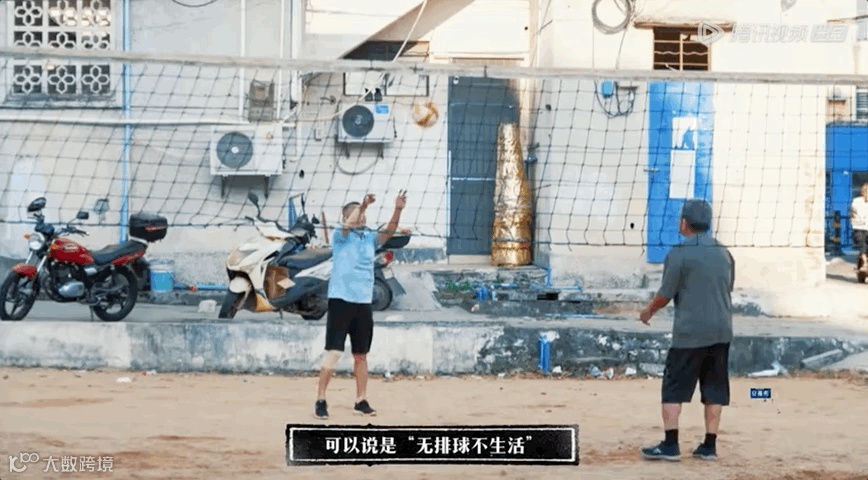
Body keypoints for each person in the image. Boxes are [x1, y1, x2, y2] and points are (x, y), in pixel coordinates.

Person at [638, 198, 735, 462]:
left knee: (673, 389)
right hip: (722, 332)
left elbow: (665, 293)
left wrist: (648, 311)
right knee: (714, 389)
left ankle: (670, 445)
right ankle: (709, 446)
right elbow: (728, 287)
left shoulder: (679, 253)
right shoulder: (724, 252)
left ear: (684, 223)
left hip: (690, 334)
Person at [314, 190, 407, 420]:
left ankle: (360, 400)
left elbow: (389, 231)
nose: (362, 218)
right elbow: (350, 224)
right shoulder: (340, 235)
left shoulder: (369, 238)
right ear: (347, 217)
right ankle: (321, 399)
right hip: (341, 301)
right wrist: (363, 206)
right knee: (334, 353)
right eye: (358, 215)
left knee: (361, 355)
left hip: (363, 303)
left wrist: (398, 209)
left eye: (364, 215)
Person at [850, 183, 868, 269]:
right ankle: (865, 262)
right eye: (864, 190)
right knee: (862, 244)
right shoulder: (856, 201)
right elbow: (853, 213)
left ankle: (863, 261)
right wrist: (855, 220)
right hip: (859, 227)